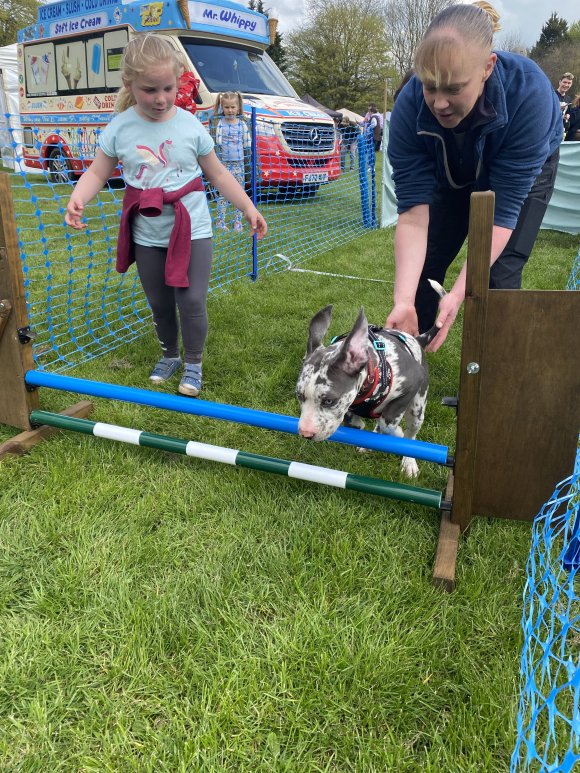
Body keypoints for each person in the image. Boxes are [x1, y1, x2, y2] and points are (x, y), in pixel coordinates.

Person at [65, 34, 267, 397]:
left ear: (178, 83)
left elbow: (218, 173)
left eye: (168, 88)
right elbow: (97, 172)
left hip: (193, 230)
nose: (160, 98)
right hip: (147, 233)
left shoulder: (190, 125)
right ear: (129, 84)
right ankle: (169, 354)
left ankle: (193, 363)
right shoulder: (120, 128)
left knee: (190, 300)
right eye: (149, 89)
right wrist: (78, 198)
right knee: (159, 302)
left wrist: (248, 208)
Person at [386, 1, 562, 352]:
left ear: (487, 67)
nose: (438, 103)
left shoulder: (530, 94)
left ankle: (493, 378)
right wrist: (403, 299)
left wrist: (459, 293)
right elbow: (414, 217)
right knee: (427, 263)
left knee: (497, 275)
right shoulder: (409, 107)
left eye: (453, 89)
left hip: (525, 169)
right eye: (430, 86)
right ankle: (408, 358)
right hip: (451, 168)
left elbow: (501, 215)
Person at [211, 91, 252, 231]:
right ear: (222, 108)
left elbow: (247, 143)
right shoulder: (220, 124)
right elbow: (218, 142)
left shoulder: (242, 124)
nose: (230, 110)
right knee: (223, 194)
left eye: (233, 107)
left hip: (239, 164)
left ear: (238, 108)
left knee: (239, 193)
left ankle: (237, 222)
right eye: (227, 107)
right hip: (224, 164)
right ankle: (220, 221)